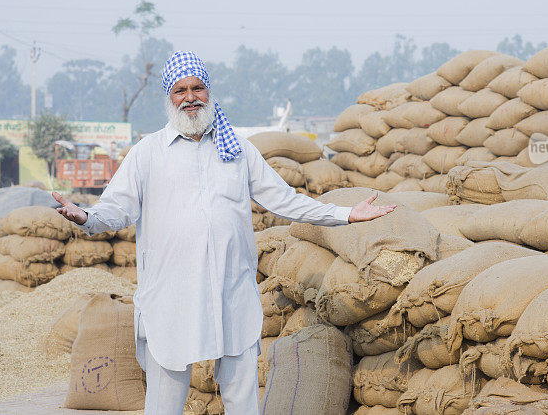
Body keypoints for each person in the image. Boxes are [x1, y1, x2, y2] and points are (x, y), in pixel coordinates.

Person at [53, 51, 395, 415]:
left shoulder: (237, 151)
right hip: (171, 297)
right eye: (180, 90)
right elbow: (117, 208)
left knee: (242, 399)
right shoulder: (147, 154)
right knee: (164, 403)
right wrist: (86, 216)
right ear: (169, 97)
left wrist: (345, 214)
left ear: (209, 91)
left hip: (230, 294)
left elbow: (285, 201)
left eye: (197, 87)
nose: (190, 97)